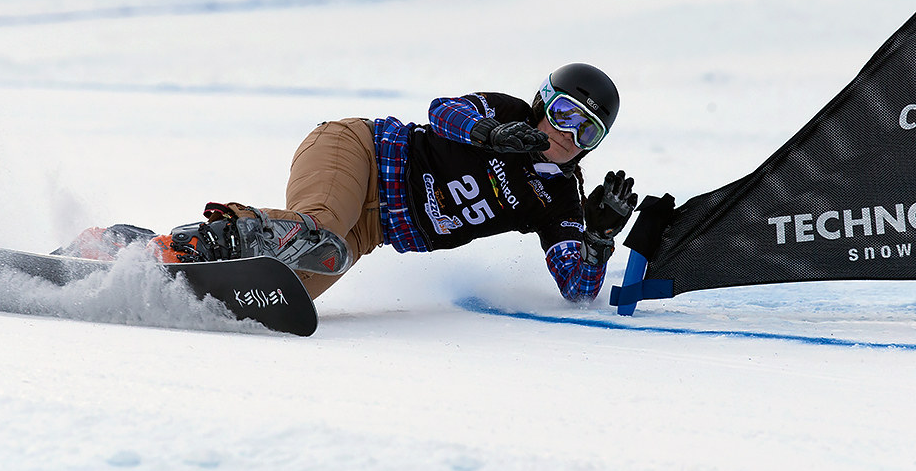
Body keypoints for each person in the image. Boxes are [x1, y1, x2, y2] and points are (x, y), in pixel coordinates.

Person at [58, 63, 638, 303]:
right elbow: (442, 112)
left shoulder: (561, 196)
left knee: (297, 280)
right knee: (318, 232)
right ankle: (167, 246)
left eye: (585, 130)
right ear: (541, 103)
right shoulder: (505, 110)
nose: (567, 134)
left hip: (373, 227)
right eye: (562, 113)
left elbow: (578, 286)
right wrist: (491, 135)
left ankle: (140, 260)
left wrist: (599, 236)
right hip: (359, 151)